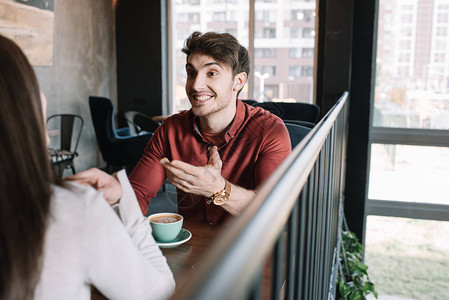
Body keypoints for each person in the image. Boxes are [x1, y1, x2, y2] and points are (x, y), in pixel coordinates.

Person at [0, 35, 174, 300]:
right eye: (40, 121)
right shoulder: (71, 209)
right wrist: (123, 198)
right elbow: (160, 293)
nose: (47, 138)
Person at [129, 31, 291, 225]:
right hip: (190, 247)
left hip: (248, 251)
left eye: (212, 73)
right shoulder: (170, 129)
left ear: (238, 81)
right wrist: (115, 196)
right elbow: (138, 194)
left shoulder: (270, 130)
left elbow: (273, 211)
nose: (196, 85)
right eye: (191, 73)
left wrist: (217, 188)